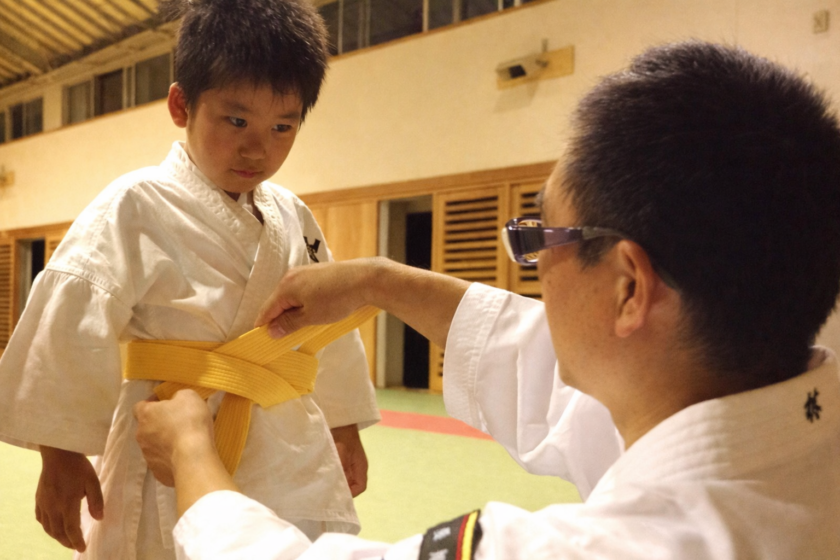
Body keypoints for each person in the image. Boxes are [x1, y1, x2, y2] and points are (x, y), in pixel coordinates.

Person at [134, 41, 840, 558]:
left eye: (543, 237)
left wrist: (195, 457)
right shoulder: (772, 423)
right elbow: (552, 373)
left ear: (629, 288)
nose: (535, 272)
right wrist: (378, 280)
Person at [0, 0, 379, 557]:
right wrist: (59, 453)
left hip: (285, 441)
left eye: (283, 126)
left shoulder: (292, 214)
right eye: (236, 120)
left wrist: (344, 425)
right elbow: (74, 313)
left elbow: (326, 325)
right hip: (170, 430)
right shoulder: (134, 203)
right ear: (181, 105)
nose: (258, 147)